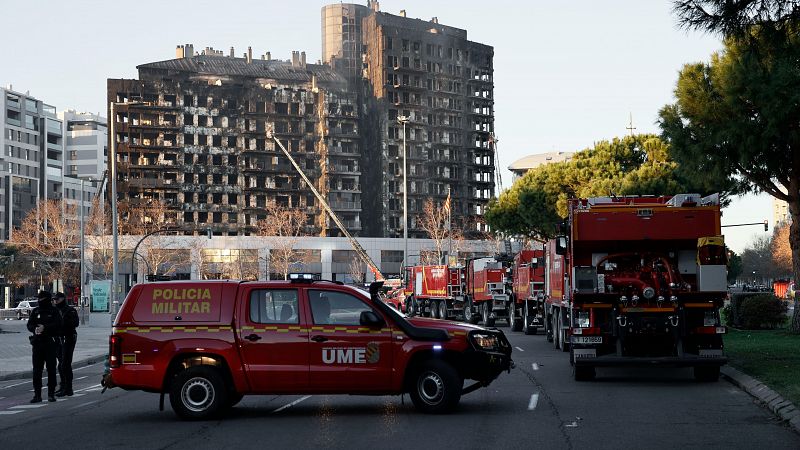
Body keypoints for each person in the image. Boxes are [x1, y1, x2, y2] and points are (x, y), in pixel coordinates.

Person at [26, 290, 62, 403]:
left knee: (51, 369)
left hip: (50, 343)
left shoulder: (54, 311)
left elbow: (58, 325)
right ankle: (37, 395)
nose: (39, 300)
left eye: (41, 298)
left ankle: (51, 394)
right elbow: (29, 324)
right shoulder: (36, 311)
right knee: (37, 370)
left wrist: (45, 328)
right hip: (37, 343)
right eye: (39, 298)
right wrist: (34, 329)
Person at [54, 292, 79, 397]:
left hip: (68, 338)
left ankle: (69, 388)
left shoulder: (70, 310)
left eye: (57, 299)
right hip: (58, 339)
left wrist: (63, 321)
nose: (56, 301)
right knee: (60, 364)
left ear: (63, 299)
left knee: (65, 364)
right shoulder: (55, 311)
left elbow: (75, 323)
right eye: (55, 299)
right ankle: (63, 386)